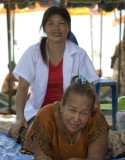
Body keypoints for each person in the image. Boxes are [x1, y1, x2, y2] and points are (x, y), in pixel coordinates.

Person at [7, 5, 99, 142]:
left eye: (61, 23)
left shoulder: (79, 54)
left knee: (82, 137)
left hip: (70, 114)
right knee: (30, 135)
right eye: (51, 24)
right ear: (44, 28)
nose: (56, 28)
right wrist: (20, 117)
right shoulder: (33, 52)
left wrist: (97, 117)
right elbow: (22, 88)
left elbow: (90, 88)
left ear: (68, 28)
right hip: (38, 111)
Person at [20, 75, 109, 160]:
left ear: (91, 112)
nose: (76, 119)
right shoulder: (45, 117)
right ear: (62, 105)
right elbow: (41, 156)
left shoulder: (97, 119)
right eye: (72, 110)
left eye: (84, 113)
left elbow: (96, 158)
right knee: (17, 132)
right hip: (30, 132)